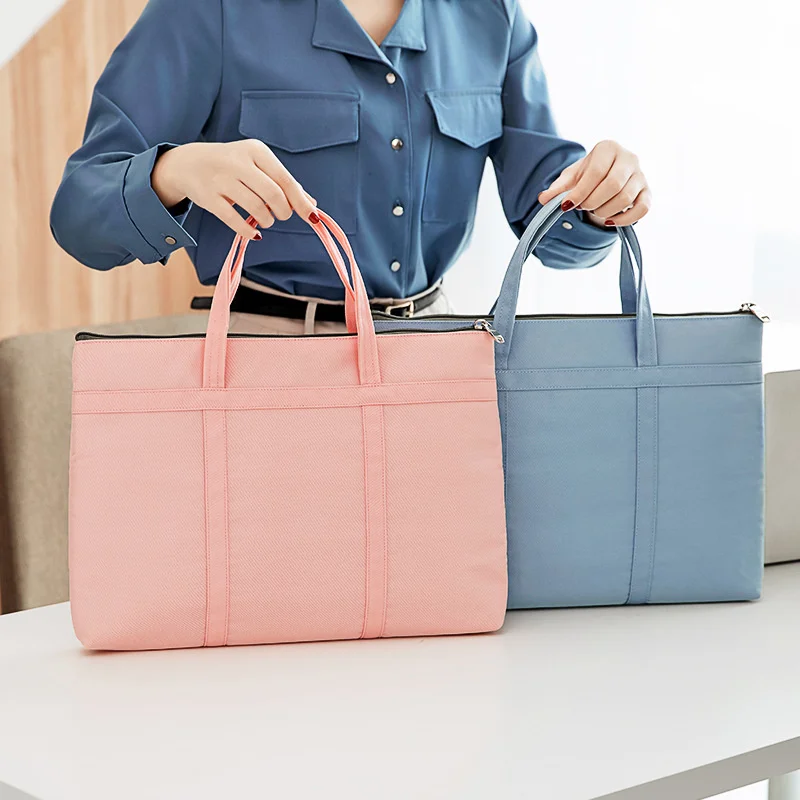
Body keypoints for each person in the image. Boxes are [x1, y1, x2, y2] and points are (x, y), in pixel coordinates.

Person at [50, 0, 651, 335]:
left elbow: (556, 225)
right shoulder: (208, 11)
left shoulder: (492, 16)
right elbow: (79, 209)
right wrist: (173, 171)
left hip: (436, 365)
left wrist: (602, 197)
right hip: (263, 369)